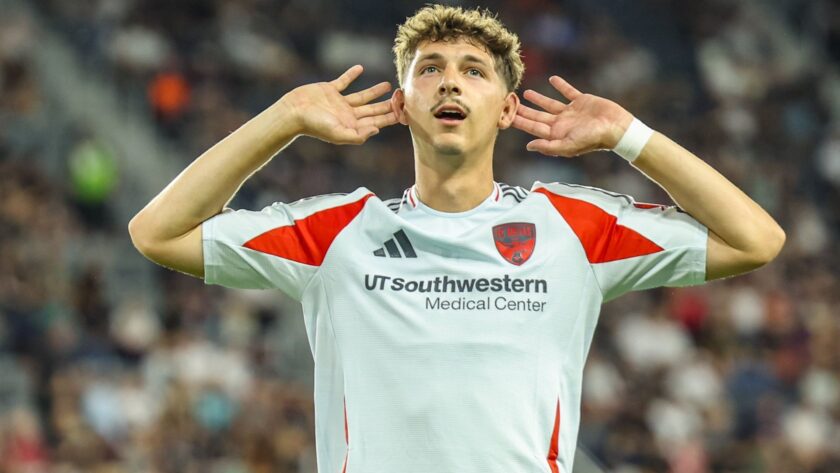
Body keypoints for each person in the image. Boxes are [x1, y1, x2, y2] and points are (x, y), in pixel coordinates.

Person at [128, 5, 785, 472]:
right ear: (403, 102)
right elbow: (157, 231)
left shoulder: (572, 227)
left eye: (474, 69)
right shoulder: (337, 233)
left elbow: (754, 238)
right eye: (430, 68)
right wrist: (282, 120)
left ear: (506, 106)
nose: (449, 79)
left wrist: (627, 135)